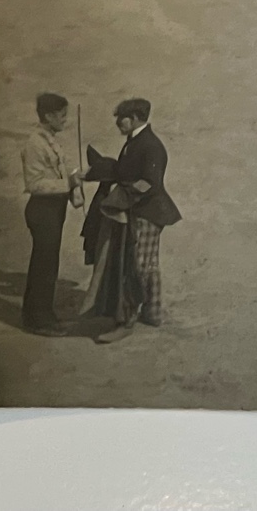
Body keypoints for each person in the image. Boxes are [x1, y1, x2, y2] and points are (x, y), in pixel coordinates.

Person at [95, 98, 182, 343]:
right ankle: (152, 313)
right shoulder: (135, 142)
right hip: (144, 210)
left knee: (135, 266)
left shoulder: (150, 146)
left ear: (134, 118)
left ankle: (126, 321)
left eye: (120, 118)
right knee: (149, 263)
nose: (116, 123)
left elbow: (148, 183)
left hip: (147, 212)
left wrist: (120, 198)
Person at [19, 93, 84, 336]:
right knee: (43, 266)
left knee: (48, 264)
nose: (65, 120)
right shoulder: (35, 143)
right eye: (62, 115)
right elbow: (35, 184)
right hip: (42, 209)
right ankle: (37, 320)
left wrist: (75, 176)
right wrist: (68, 183)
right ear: (48, 116)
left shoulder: (50, 140)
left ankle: (43, 314)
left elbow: (64, 166)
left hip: (53, 209)